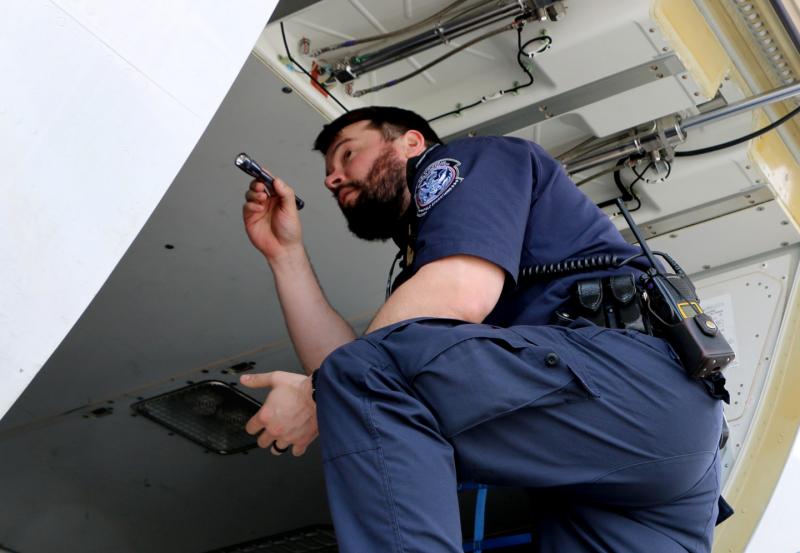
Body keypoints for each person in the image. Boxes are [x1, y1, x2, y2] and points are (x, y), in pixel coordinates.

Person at [238, 106, 728, 552]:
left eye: (348, 154)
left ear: (411, 142)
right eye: (328, 173)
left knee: (374, 367)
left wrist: (321, 390)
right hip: (639, 453)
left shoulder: (469, 160)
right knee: (372, 371)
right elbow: (356, 373)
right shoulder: (419, 286)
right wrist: (286, 255)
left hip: (632, 392)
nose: (332, 179)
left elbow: (433, 317)